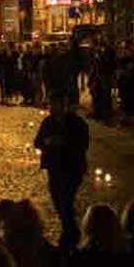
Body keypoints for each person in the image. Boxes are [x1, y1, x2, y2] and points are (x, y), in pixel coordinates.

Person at [34, 97, 91, 252]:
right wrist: (47, 142)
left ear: (63, 105)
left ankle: (69, 235)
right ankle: (71, 229)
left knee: (65, 199)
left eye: (56, 104)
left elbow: (84, 142)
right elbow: (37, 141)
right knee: (58, 201)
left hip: (72, 168)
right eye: (51, 105)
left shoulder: (76, 123)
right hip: (54, 169)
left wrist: (65, 142)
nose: (52, 108)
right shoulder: (47, 122)